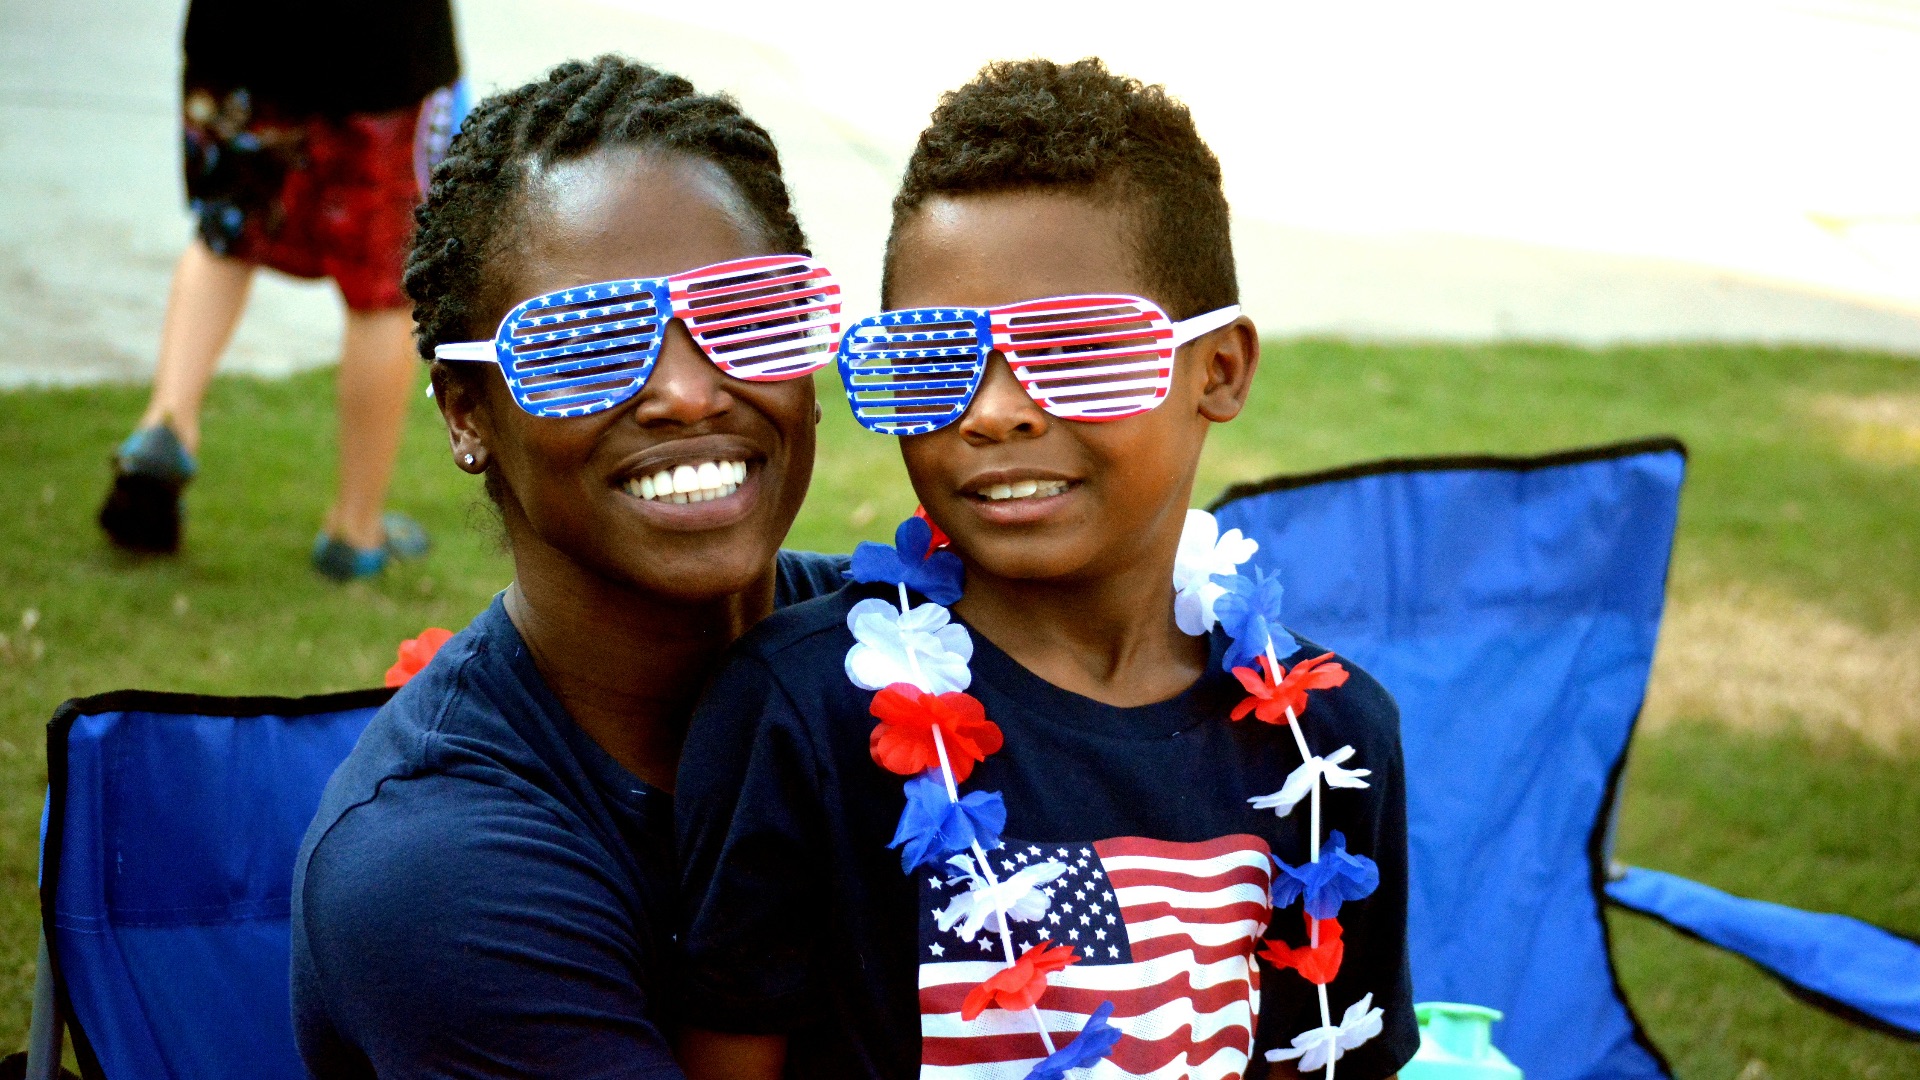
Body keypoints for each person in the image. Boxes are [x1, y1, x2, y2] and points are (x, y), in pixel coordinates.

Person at [675, 59, 1416, 1080]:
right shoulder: (803, 717)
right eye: (931, 355)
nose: (992, 408)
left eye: (1079, 350)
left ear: (1221, 370)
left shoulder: (1323, 739)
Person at [290, 56, 845, 1077]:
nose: (687, 391)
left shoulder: (914, 642)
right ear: (468, 415)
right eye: (586, 342)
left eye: (747, 312)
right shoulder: (434, 876)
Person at [99, 0, 465, 579]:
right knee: (384, 293)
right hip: (384, 51)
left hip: (238, 37)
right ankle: (355, 529)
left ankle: (166, 424)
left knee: (225, 237)